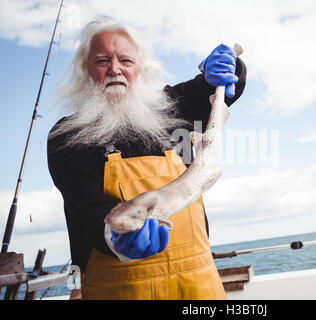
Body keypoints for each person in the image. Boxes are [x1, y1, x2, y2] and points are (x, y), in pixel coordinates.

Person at [47, 18, 246, 300]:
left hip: (199, 288)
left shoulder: (173, 108)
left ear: (141, 69)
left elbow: (214, 88)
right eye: (102, 61)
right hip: (119, 289)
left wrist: (230, 66)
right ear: (85, 71)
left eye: (126, 60)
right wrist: (114, 239)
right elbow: (86, 210)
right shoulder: (67, 136)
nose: (115, 69)